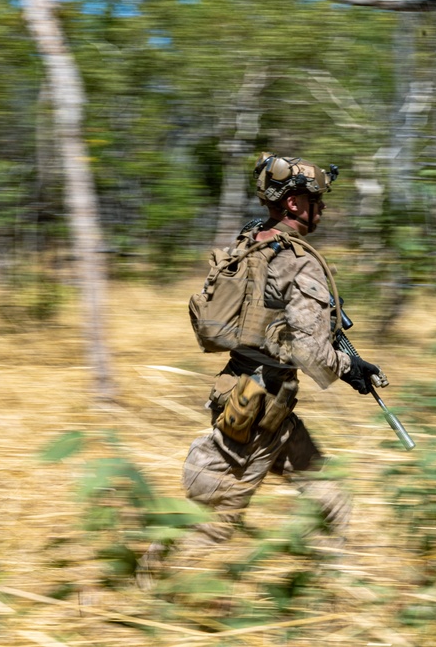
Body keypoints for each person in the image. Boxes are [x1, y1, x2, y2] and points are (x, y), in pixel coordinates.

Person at [140, 154, 386, 587]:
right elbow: (312, 354)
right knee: (215, 522)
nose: (322, 208)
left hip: (253, 395)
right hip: (257, 409)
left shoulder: (252, 238)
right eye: (315, 199)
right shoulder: (300, 261)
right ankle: (145, 589)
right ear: (293, 203)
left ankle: (335, 592)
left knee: (329, 494)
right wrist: (352, 368)